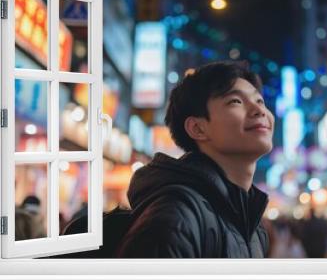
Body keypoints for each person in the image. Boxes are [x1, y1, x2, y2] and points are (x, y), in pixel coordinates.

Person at [116, 61, 274, 258]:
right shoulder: (174, 219)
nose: (259, 111)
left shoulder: (252, 226)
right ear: (198, 128)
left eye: (260, 101)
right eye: (236, 101)